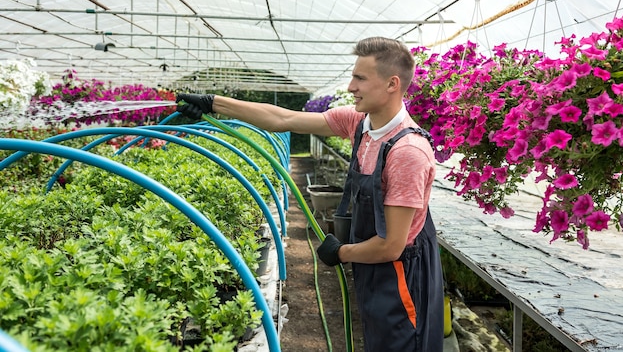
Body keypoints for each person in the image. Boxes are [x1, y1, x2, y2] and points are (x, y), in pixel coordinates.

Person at [176, 36, 444, 352]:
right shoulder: (360, 122)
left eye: (360, 78)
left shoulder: (407, 153)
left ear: (392, 84)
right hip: (374, 264)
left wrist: (341, 252)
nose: (350, 85)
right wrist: (214, 103)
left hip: (401, 274)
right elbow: (283, 118)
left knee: (402, 344)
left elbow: (390, 246)